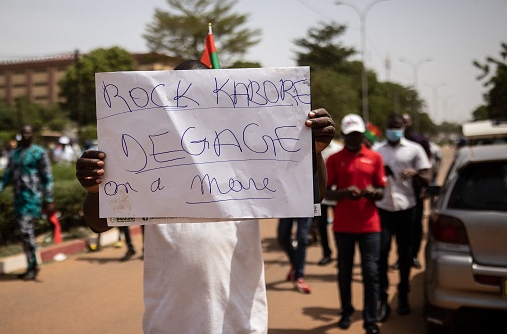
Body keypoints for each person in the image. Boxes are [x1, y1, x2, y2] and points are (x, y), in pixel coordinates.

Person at [75, 60, 336, 333]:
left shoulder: (248, 156)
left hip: (240, 323)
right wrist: (95, 190)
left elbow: (313, 196)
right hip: (168, 324)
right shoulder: (145, 157)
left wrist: (313, 152)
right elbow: (99, 224)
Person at [325, 114, 386, 334]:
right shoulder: (334, 159)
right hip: (343, 226)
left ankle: (370, 319)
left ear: (363, 135)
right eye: (350, 135)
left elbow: (381, 191)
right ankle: (346, 311)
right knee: (345, 272)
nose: (354, 139)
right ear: (344, 135)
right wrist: (344, 193)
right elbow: (327, 193)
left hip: (370, 226)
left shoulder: (375, 158)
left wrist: (373, 192)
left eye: (358, 135)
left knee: (370, 272)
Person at [373, 113, 431, 321]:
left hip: (408, 208)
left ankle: (404, 295)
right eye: (390, 127)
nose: (394, 131)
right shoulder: (376, 151)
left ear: (403, 129)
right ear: (386, 128)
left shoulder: (414, 150)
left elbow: (427, 176)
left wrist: (415, 173)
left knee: (405, 255)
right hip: (383, 208)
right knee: (381, 254)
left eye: (397, 127)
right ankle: (383, 299)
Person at [0, 124, 55, 280]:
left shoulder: (39, 153)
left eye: (29, 133)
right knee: (24, 232)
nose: (26, 136)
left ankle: (33, 266)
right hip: (19, 198)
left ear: (33, 135)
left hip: (32, 198)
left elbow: (47, 178)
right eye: (23, 133)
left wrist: (49, 199)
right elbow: (7, 176)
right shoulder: (15, 154)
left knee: (26, 231)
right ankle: (31, 264)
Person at [401, 113, 432, 270]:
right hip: (399, 192)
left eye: (407, 122)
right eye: (402, 123)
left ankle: (414, 255)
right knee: (401, 228)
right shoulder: (391, 144)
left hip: (417, 190)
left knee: (416, 226)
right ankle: (402, 256)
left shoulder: (420, 142)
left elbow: (427, 167)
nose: (405, 125)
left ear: (411, 123)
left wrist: (426, 187)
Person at [317, 139, 343, 266]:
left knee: (338, 226)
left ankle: (341, 254)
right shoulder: (313, 146)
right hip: (320, 194)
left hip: (335, 194)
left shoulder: (338, 148)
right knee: (321, 226)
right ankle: (326, 253)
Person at [277, 216, 312, 293]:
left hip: (305, 207)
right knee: (283, 237)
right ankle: (295, 264)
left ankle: (299, 276)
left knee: (302, 239)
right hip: (287, 206)